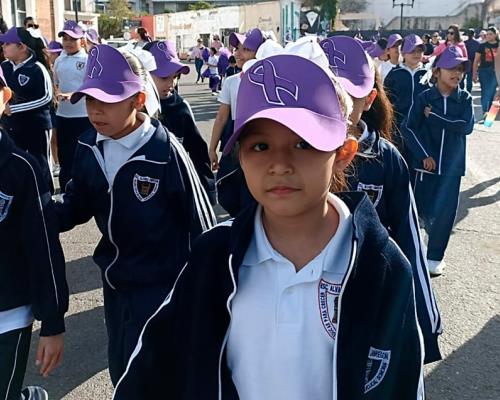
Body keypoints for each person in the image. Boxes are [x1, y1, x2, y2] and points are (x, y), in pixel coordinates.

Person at [112, 51, 425, 400]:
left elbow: (404, 381)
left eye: (303, 143)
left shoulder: (381, 266)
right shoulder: (216, 255)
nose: (279, 164)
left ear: (343, 152)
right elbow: (154, 363)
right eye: (260, 145)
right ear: (240, 156)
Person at [54, 44, 216, 386]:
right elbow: (75, 205)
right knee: (122, 368)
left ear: (137, 100)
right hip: (115, 283)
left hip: (162, 286)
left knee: (158, 372)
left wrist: (205, 295)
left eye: (108, 101)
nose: (96, 111)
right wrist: (33, 213)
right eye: (90, 101)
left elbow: (202, 226)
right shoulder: (88, 145)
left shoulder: (165, 151)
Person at [322, 35, 441, 363]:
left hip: (370, 295)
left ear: (370, 98)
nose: (339, 105)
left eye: (348, 94)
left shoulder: (386, 159)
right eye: (327, 92)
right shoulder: (298, 153)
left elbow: (409, 239)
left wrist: (425, 321)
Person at [0, 67, 68, 400]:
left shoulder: (21, 168)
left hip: (9, 313)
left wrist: (52, 322)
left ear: (5, 98)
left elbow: (43, 248)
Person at [402, 46, 474, 275]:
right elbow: (408, 128)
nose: (457, 74)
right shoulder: (424, 97)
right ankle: (418, 245)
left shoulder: (465, 98)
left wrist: (436, 117)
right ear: (436, 71)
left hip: (452, 168)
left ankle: (435, 257)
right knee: (421, 210)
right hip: (425, 168)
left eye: (461, 69)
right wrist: (423, 155)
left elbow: (466, 127)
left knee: (445, 214)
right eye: (451, 68)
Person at [144, 40, 215, 203]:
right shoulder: (131, 109)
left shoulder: (181, 108)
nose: (171, 83)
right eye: (163, 77)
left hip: (175, 194)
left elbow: (198, 150)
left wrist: (208, 191)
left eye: (175, 77)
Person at [209, 28, 264, 216]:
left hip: (260, 144)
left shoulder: (270, 82)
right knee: (231, 191)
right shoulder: (231, 82)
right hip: (234, 145)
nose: (238, 54)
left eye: (246, 49)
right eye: (237, 49)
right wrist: (212, 148)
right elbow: (222, 116)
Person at [0, 27, 55, 192]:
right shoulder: (4, 66)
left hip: (36, 126)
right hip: (12, 126)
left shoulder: (37, 68)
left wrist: (14, 108)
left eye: (8, 43)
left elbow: (46, 98)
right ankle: (22, 195)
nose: (3, 46)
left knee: (41, 162)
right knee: (14, 161)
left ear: (22, 47)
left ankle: (47, 197)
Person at [54, 20, 93, 192]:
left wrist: (74, 95)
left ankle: (87, 191)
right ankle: (65, 192)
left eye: (72, 39)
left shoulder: (88, 60)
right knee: (65, 157)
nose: (68, 43)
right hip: (63, 115)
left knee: (84, 156)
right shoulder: (59, 60)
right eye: (65, 39)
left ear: (82, 41)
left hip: (83, 116)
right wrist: (58, 94)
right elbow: (57, 83)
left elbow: (93, 87)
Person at [384, 34, 429, 156]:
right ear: (403, 54)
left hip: (421, 126)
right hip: (399, 126)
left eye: (419, 51)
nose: (416, 54)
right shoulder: (394, 74)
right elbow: (386, 100)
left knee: (419, 159)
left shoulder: (428, 75)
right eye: (412, 51)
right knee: (401, 157)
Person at [473, 26, 499, 120]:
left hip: (496, 71)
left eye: (490, 34)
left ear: (496, 35)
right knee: (485, 92)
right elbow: (476, 60)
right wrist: (474, 74)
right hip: (484, 71)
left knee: (492, 92)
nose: (488, 36)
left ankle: (489, 115)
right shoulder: (482, 46)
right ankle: (486, 113)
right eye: (487, 34)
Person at [47, 40, 63, 177]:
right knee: (53, 137)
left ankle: (59, 162)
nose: (52, 56)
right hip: (54, 106)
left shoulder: (59, 64)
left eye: (54, 54)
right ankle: (57, 162)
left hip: (60, 105)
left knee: (57, 137)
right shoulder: (49, 67)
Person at [464, 28, 480, 93]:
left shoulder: (465, 43)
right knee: (469, 78)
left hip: (465, 61)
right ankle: (468, 92)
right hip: (473, 61)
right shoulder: (477, 43)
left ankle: (463, 91)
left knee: (463, 78)